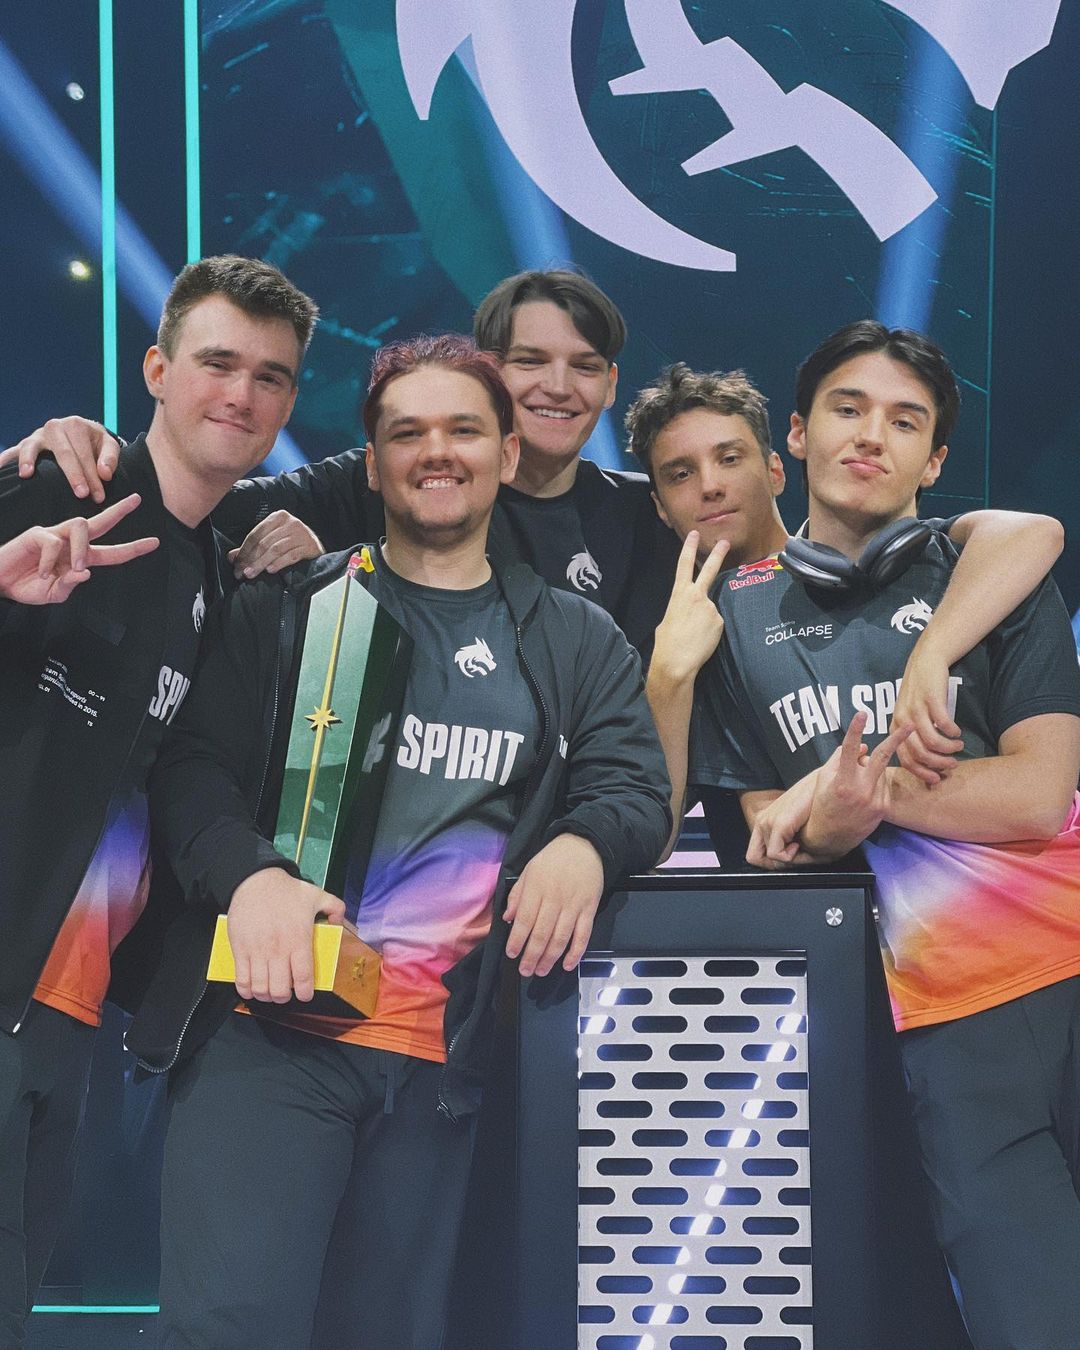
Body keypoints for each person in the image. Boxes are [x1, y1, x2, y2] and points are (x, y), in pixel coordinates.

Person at [122, 334, 671, 1348]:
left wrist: (586, 844)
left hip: (445, 1068)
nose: (437, 452)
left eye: (464, 429)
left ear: (508, 453)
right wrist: (250, 879)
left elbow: (636, 787)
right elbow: (190, 771)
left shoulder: (573, 636)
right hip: (268, 1037)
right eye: (407, 433)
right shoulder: (290, 606)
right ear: (371, 465)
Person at [685, 322, 1080, 1349]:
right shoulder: (732, 618)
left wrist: (861, 787)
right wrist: (828, 808)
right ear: (797, 434)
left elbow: (1038, 796)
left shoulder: (988, 574)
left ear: (935, 461)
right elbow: (766, 835)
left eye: (906, 422)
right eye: (849, 409)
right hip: (941, 1014)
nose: (872, 435)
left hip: (1067, 957)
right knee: (1031, 1314)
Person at [0, 254, 317, 1343]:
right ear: (156, 371)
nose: (241, 394)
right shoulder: (57, 488)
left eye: (270, 376)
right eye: (217, 363)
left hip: (64, 1007)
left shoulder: (215, 575)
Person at [4, 269, 680, 652]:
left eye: (583, 366)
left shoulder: (650, 515)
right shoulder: (390, 476)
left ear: (611, 384)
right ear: (487, 372)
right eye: (530, 361)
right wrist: (97, 453)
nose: (558, 387)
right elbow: (189, 495)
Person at [626, 359, 1066, 862]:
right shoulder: (708, 621)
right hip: (806, 902)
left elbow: (1033, 533)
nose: (710, 486)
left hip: (996, 899)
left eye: (730, 458)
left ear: (775, 469)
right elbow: (679, 832)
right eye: (681, 474)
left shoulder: (963, 568)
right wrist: (668, 677)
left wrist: (932, 651)